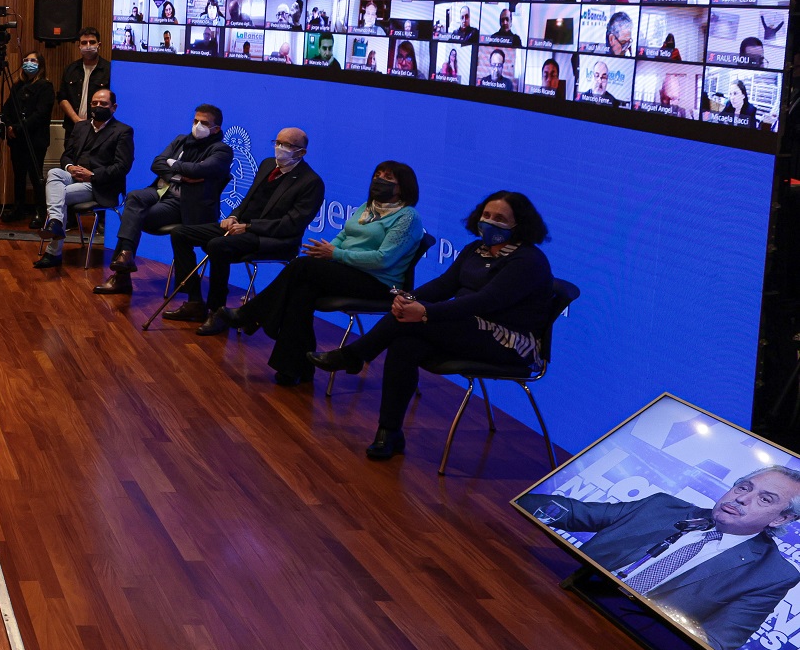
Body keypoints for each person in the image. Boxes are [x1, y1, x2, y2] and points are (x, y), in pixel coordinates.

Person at [310, 190, 555, 460]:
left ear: (519, 224)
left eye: (500, 218)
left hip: (507, 342)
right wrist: (409, 299)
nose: (490, 222)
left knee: (411, 324)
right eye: (486, 215)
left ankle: (354, 356)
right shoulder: (476, 249)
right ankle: (388, 432)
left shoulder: (528, 261)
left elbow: (485, 302)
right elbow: (444, 286)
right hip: (466, 328)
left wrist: (424, 313)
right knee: (405, 344)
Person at [518, 469, 800, 650]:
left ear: (780, 518)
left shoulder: (771, 574)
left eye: (764, 499)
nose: (742, 498)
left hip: (620, 647)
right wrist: (517, 501)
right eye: (743, 487)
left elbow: (715, 643)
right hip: (560, 595)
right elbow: (572, 513)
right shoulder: (661, 508)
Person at [212, 162, 423, 384]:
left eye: (387, 178)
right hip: (348, 271)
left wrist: (335, 255)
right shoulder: (368, 207)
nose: (378, 180)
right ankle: (293, 369)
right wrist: (326, 252)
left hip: (379, 283)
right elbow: (343, 236)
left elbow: (384, 259)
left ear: (402, 187)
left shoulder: (407, 217)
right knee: (303, 291)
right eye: (377, 175)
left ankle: (252, 314)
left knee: (302, 266)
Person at [163, 128, 324, 328]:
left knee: (217, 245)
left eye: (287, 145)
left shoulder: (311, 182)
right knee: (180, 233)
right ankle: (195, 302)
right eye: (277, 142)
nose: (279, 148)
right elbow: (248, 200)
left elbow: (291, 225)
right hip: (242, 226)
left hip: (272, 238)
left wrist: (248, 227)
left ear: (301, 152)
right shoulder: (267, 165)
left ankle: (217, 311)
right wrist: (233, 216)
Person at [94, 104, 233, 296]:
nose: (197, 126)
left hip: (183, 205)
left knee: (133, 215)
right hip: (160, 191)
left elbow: (199, 170)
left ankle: (121, 276)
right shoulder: (181, 140)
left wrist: (174, 164)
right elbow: (157, 163)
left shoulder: (221, 150)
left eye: (204, 123)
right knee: (134, 196)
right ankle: (125, 256)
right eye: (195, 121)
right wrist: (179, 175)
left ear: (216, 129)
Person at [35, 89, 133, 269]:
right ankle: (56, 222)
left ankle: (53, 251)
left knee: (59, 195)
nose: (97, 106)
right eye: (94, 103)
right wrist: (70, 168)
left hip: (99, 185)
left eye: (103, 104)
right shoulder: (81, 127)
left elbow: (122, 167)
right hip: (74, 177)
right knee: (54, 173)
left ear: (114, 107)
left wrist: (92, 175)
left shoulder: (123, 131)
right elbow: (67, 155)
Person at [0, 51, 54, 225]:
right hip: (16, 139)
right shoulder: (17, 85)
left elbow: (40, 114)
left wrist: (18, 128)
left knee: (36, 175)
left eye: (33, 60)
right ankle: (18, 208)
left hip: (35, 139)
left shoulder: (45, 86)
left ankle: (40, 211)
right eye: (26, 60)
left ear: (40, 65)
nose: (29, 63)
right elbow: (6, 109)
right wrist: (9, 125)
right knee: (19, 174)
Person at [56, 28, 110, 127]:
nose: (88, 46)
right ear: (79, 46)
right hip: (73, 127)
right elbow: (62, 98)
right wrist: (76, 120)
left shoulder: (109, 70)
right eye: (84, 43)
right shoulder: (70, 69)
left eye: (92, 42)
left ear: (99, 45)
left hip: (101, 128)